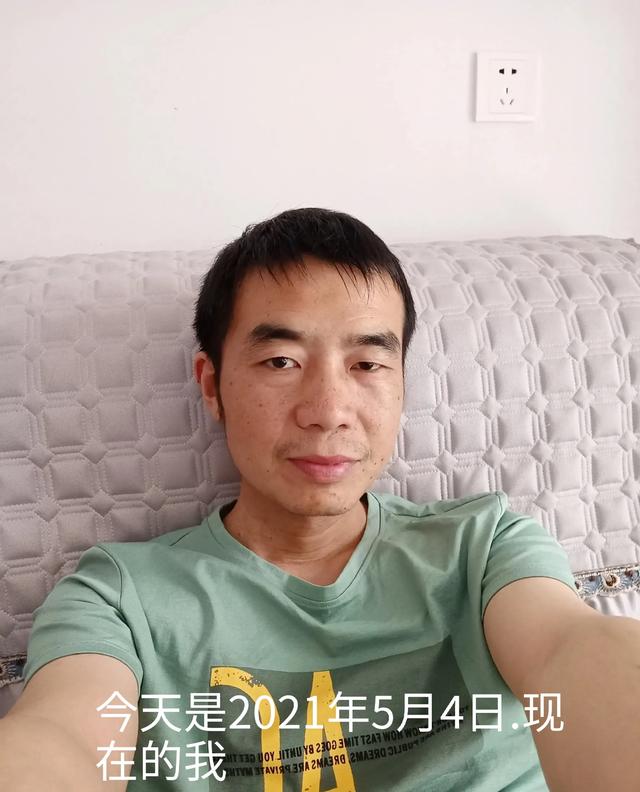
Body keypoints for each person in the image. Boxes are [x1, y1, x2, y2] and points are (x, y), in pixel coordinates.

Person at [1, 208, 638, 791]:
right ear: (212, 385)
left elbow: (572, 654)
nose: (328, 411)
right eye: (281, 361)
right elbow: (62, 735)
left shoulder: (485, 548)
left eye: (368, 364)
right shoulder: (118, 598)